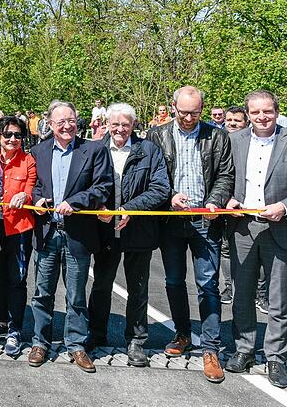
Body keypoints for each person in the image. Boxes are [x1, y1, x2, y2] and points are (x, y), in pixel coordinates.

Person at [146, 86, 234, 383]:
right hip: (171, 220)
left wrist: (215, 200)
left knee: (208, 284)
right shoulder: (157, 136)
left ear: (203, 109)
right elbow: (151, 175)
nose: (188, 118)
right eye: (183, 112)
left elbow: (225, 174)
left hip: (205, 220)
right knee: (172, 280)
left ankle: (210, 348)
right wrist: (169, 195)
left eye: (195, 113)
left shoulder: (217, 136)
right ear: (173, 107)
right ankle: (183, 334)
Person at [27, 100, 113, 373]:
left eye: (71, 120)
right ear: (50, 125)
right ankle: (40, 342)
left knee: (76, 294)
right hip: (48, 232)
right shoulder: (38, 151)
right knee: (42, 292)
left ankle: (76, 345)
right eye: (60, 121)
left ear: (79, 122)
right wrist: (38, 199)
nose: (67, 126)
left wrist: (76, 201)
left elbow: (103, 187)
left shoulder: (94, 150)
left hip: (78, 234)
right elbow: (35, 186)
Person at [88, 103, 171, 366]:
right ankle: (96, 334)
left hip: (139, 231)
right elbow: (86, 184)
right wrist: (99, 207)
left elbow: (160, 189)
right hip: (104, 229)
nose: (120, 129)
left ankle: (136, 341)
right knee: (101, 284)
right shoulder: (96, 149)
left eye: (125, 124)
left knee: (137, 288)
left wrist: (128, 209)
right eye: (115, 124)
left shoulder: (149, 151)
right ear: (107, 125)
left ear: (134, 125)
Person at [224, 90, 287, 388]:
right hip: (243, 227)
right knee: (242, 294)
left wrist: (285, 206)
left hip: (279, 227)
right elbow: (223, 178)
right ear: (248, 115)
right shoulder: (234, 141)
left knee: (278, 300)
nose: (262, 117)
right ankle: (245, 349)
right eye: (256, 112)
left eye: (268, 111)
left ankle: (276, 357)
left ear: (276, 111)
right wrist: (229, 200)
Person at [0, 116, 36, 356]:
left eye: (17, 135)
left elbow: (31, 188)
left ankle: (15, 329)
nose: (13, 139)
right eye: (7, 135)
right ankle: (2, 322)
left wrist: (24, 197)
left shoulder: (28, 160)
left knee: (17, 279)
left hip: (19, 228)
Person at [219, 106, 249, 305]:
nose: (232, 123)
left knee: (254, 250)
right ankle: (229, 288)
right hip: (224, 205)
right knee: (226, 249)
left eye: (237, 120)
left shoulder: (252, 142)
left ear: (245, 122)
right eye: (229, 120)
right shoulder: (219, 140)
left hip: (248, 206)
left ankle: (258, 292)